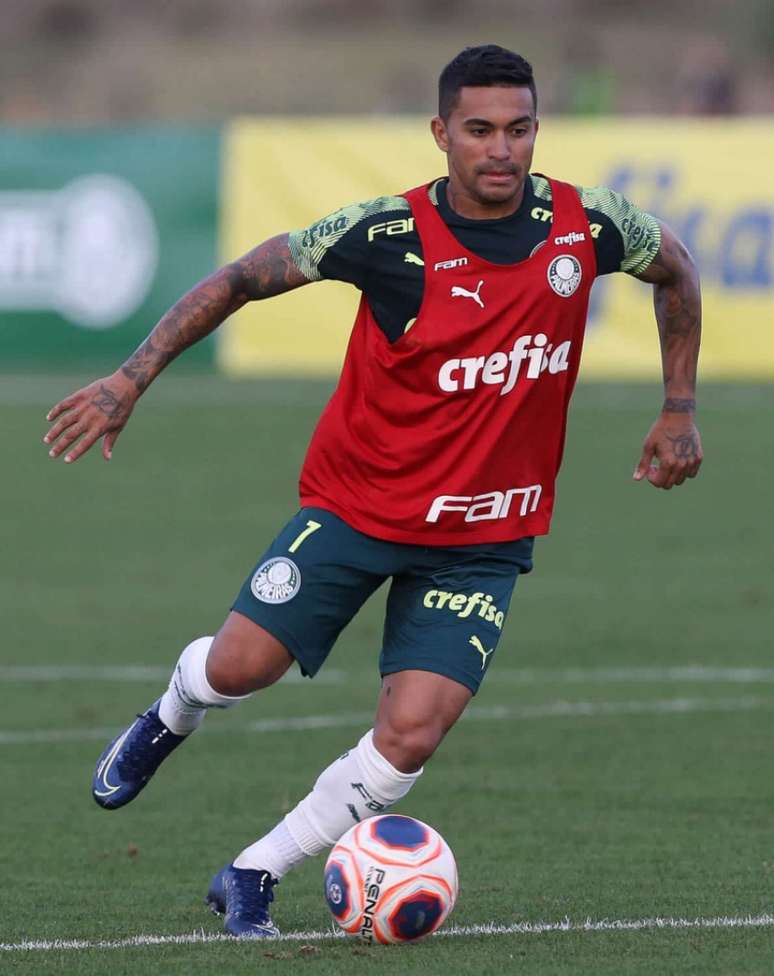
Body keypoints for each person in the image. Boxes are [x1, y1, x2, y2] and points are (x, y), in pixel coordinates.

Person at [43, 45, 703, 938]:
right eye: (479, 131)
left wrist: (677, 406)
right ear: (442, 134)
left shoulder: (586, 225)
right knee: (240, 668)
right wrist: (130, 378)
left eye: (518, 129)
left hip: (484, 532)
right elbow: (242, 277)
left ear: (536, 131)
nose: (501, 150)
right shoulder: (388, 235)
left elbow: (678, 268)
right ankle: (170, 715)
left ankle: (252, 873)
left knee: (413, 735)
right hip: (358, 509)